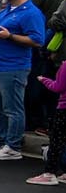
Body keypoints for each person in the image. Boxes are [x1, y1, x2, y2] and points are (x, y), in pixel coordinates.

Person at [0, 0, 49, 160]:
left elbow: (37, 40)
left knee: (13, 107)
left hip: (13, 66)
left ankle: (13, 145)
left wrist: (10, 36)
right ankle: (1, 141)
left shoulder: (31, 12)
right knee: (0, 107)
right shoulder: (8, 9)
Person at [27, 54, 66, 185]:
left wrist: (44, 80)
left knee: (57, 141)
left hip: (64, 109)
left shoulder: (65, 66)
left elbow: (58, 87)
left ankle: (50, 173)